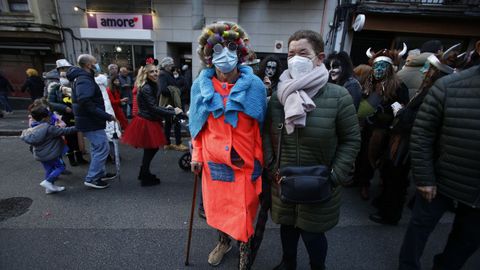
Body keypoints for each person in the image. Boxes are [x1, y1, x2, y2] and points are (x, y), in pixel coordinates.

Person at [263, 30, 360, 270]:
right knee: (288, 229)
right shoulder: (278, 97)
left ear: (319, 57)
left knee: (312, 234)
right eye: (291, 53)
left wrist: (336, 175)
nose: (296, 58)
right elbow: (267, 134)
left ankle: (318, 267)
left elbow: (351, 139)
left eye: (303, 53)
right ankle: (288, 263)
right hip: (284, 179)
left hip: (320, 182)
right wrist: (270, 164)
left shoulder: (339, 96)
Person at [189, 21, 267, 269]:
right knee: (220, 208)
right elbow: (197, 128)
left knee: (244, 210)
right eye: (218, 51)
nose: (225, 56)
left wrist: (259, 161)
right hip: (214, 161)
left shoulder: (254, 86)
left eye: (231, 49)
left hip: (245, 161)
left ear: (240, 53)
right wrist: (197, 156)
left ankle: (245, 251)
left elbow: (259, 129)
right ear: (209, 57)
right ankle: (223, 242)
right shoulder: (200, 87)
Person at [398, 64, 480, 270]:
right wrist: (425, 178)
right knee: (419, 228)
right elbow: (422, 133)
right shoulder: (448, 86)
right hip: (440, 179)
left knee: (468, 238)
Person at [356, 44, 410, 223]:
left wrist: (388, 112)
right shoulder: (368, 82)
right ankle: (361, 181)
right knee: (362, 155)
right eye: (376, 66)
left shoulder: (399, 86)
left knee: (380, 160)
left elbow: (403, 107)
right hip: (367, 127)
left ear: (389, 69)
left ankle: (376, 190)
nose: (378, 69)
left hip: (386, 131)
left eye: (382, 67)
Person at [122, 59, 181, 186]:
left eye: (156, 71)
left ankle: (144, 173)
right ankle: (144, 176)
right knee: (151, 149)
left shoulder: (151, 85)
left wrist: (167, 109)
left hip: (150, 119)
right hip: (146, 121)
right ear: (146, 74)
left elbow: (153, 106)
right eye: (152, 72)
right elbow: (153, 107)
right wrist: (172, 112)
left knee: (151, 150)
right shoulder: (147, 87)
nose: (155, 73)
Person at [67, 54, 117, 189]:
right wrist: (105, 115)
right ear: (89, 65)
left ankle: (99, 173)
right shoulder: (84, 79)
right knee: (102, 147)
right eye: (95, 63)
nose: (97, 65)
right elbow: (85, 101)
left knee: (97, 147)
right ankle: (92, 178)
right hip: (90, 120)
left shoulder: (83, 78)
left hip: (90, 120)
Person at [20, 104, 77, 194]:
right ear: (44, 118)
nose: (50, 117)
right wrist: (77, 128)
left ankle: (49, 188)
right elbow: (63, 131)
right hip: (51, 154)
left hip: (40, 154)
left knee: (49, 169)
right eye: (49, 116)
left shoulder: (33, 128)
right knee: (61, 167)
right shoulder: (49, 128)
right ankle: (48, 182)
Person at [47, 59, 89, 167]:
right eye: (64, 69)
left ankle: (79, 157)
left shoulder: (74, 83)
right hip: (64, 116)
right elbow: (50, 102)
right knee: (68, 137)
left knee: (77, 136)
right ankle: (71, 158)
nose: (66, 71)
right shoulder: (54, 87)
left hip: (76, 114)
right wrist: (64, 108)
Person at [158, 57, 188, 151]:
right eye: (171, 64)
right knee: (176, 123)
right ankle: (178, 143)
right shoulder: (163, 75)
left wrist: (176, 90)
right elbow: (163, 90)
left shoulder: (167, 74)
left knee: (169, 123)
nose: (172, 66)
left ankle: (167, 143)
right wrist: (175, 91)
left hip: (171, 102)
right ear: (166, 65)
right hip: (170, 103)